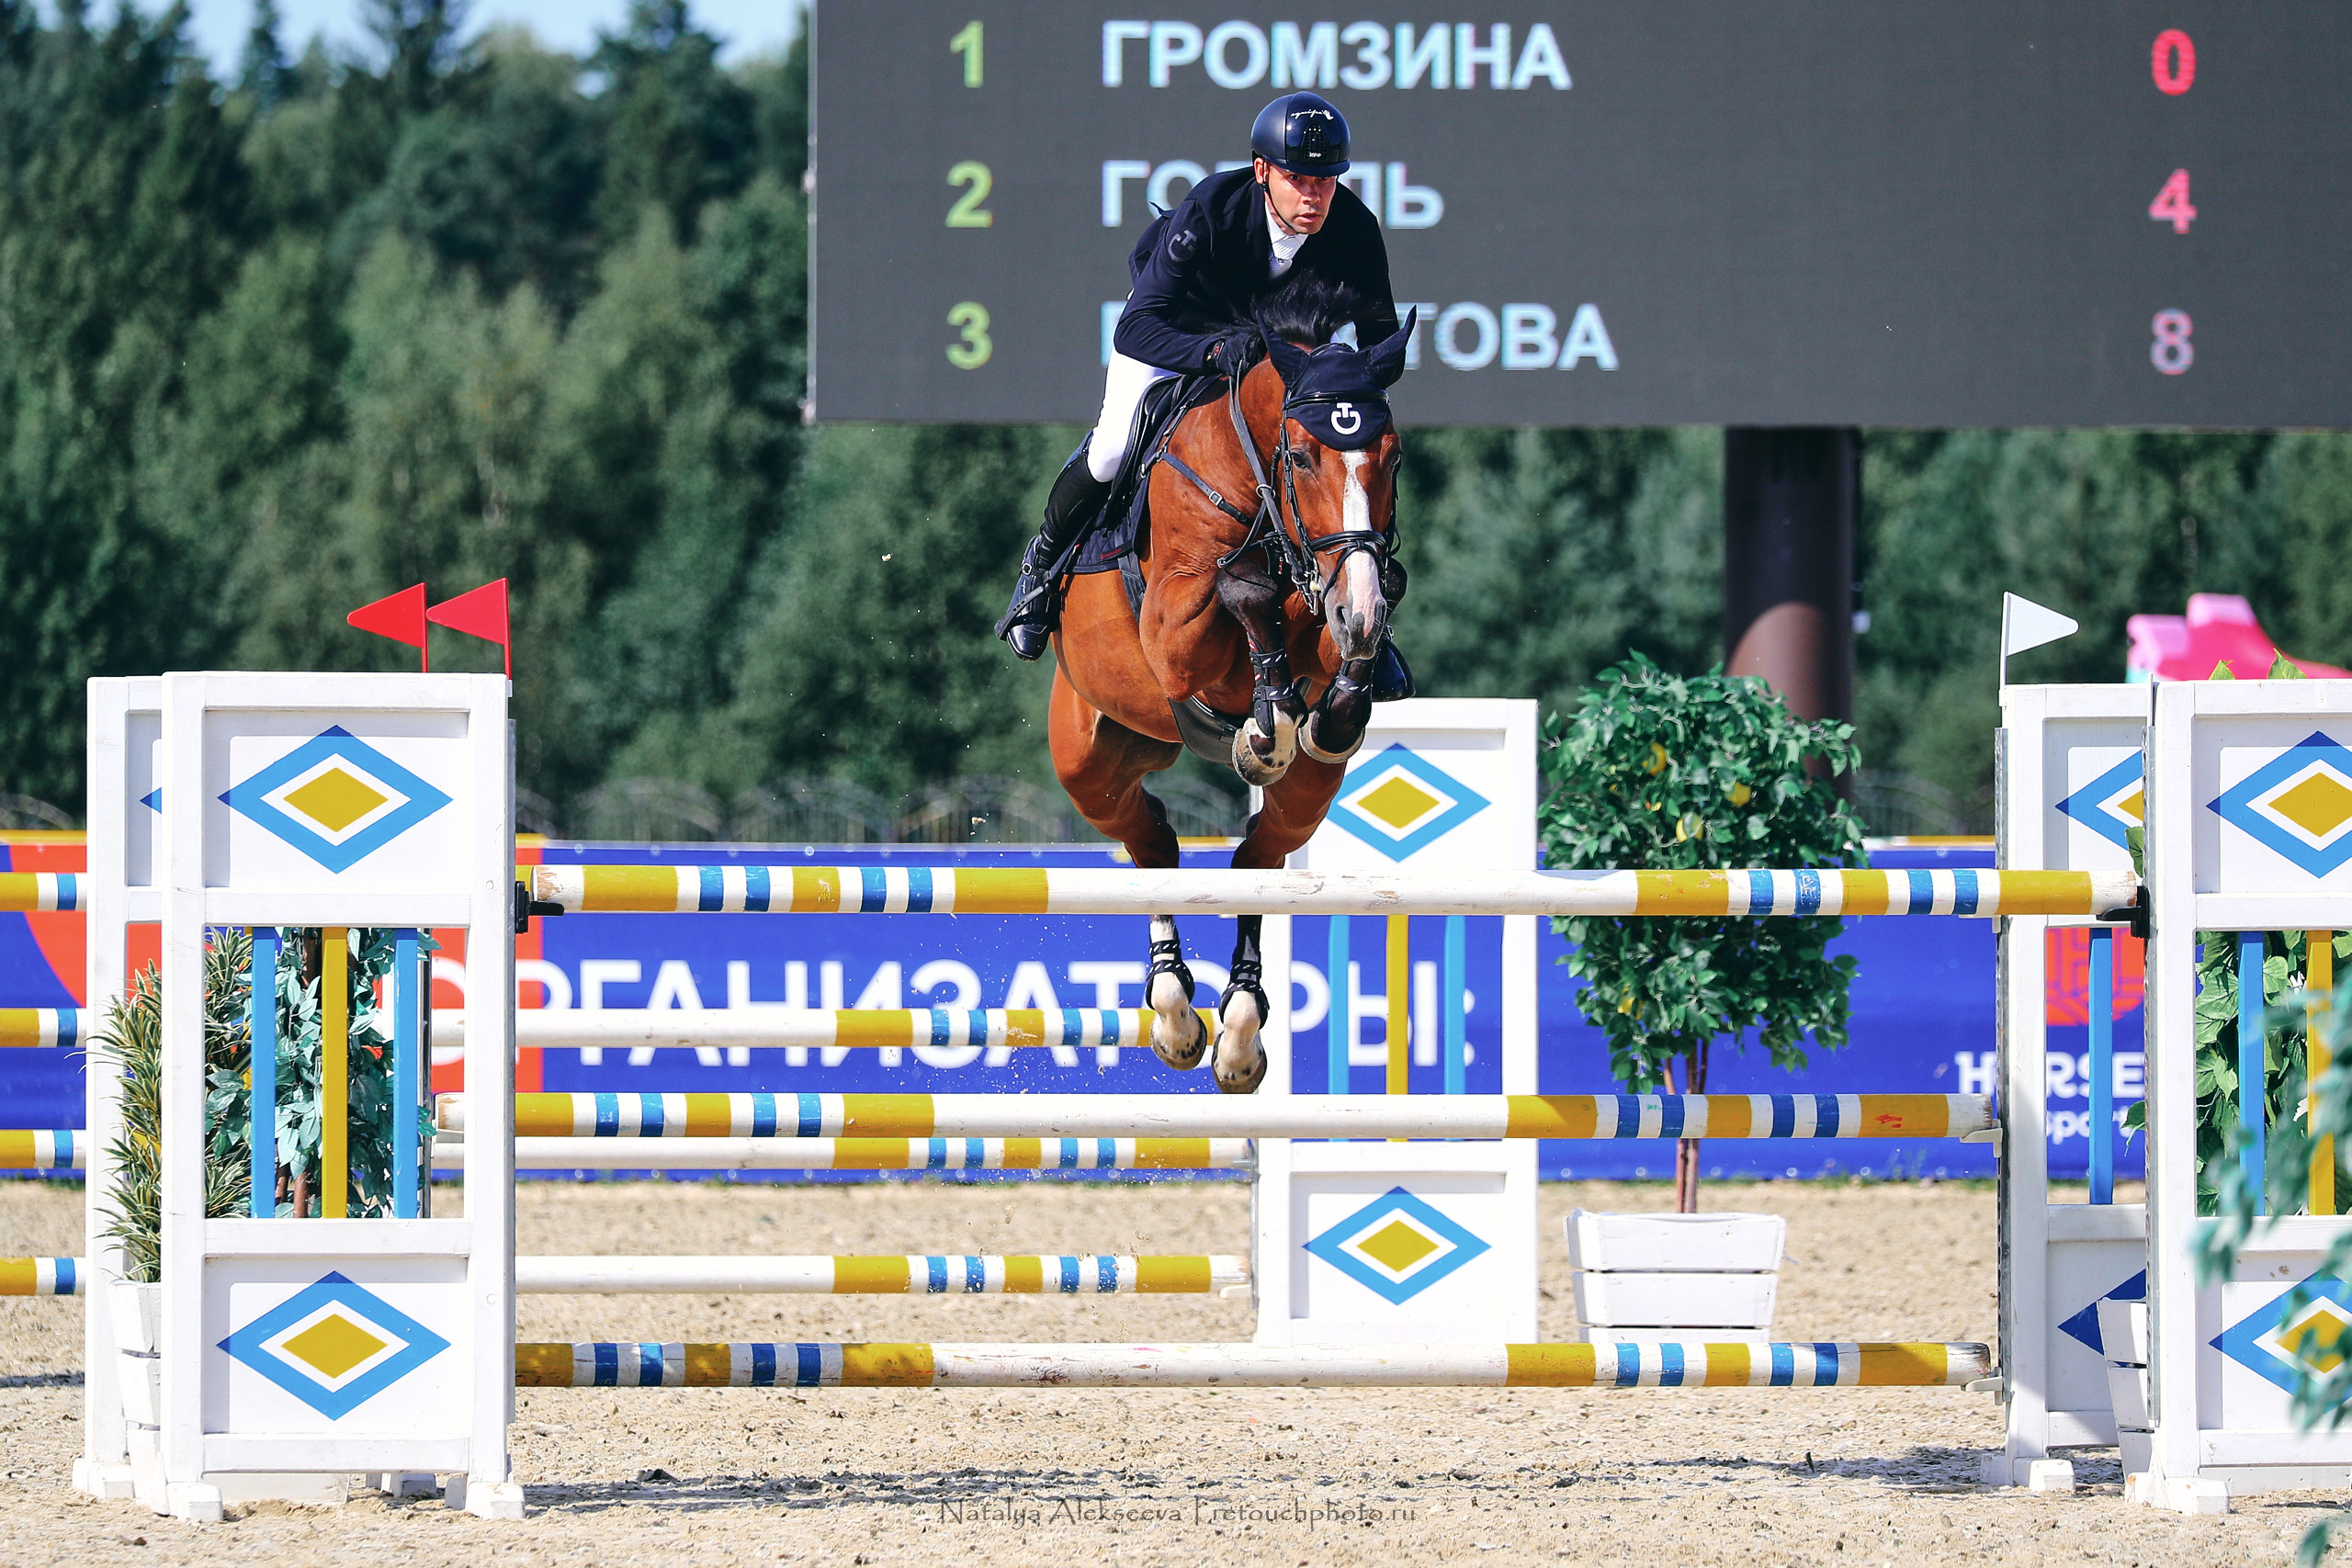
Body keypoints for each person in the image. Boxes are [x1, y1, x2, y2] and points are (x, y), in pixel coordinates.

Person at [996, 90, 1403, 662]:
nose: (1314, 195)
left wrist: (1347, 380)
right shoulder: (1212, 209)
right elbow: (1135, 329)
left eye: (1327, 180)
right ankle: (1040, 570)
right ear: (1263, 171)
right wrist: (1212, 352)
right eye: (1298, 179)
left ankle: (1369, 611)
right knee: (1113, 448)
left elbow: (1383, 341)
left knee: (1354, 458)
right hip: (1180, 337)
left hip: (1277, 359)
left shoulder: (1355, 228)